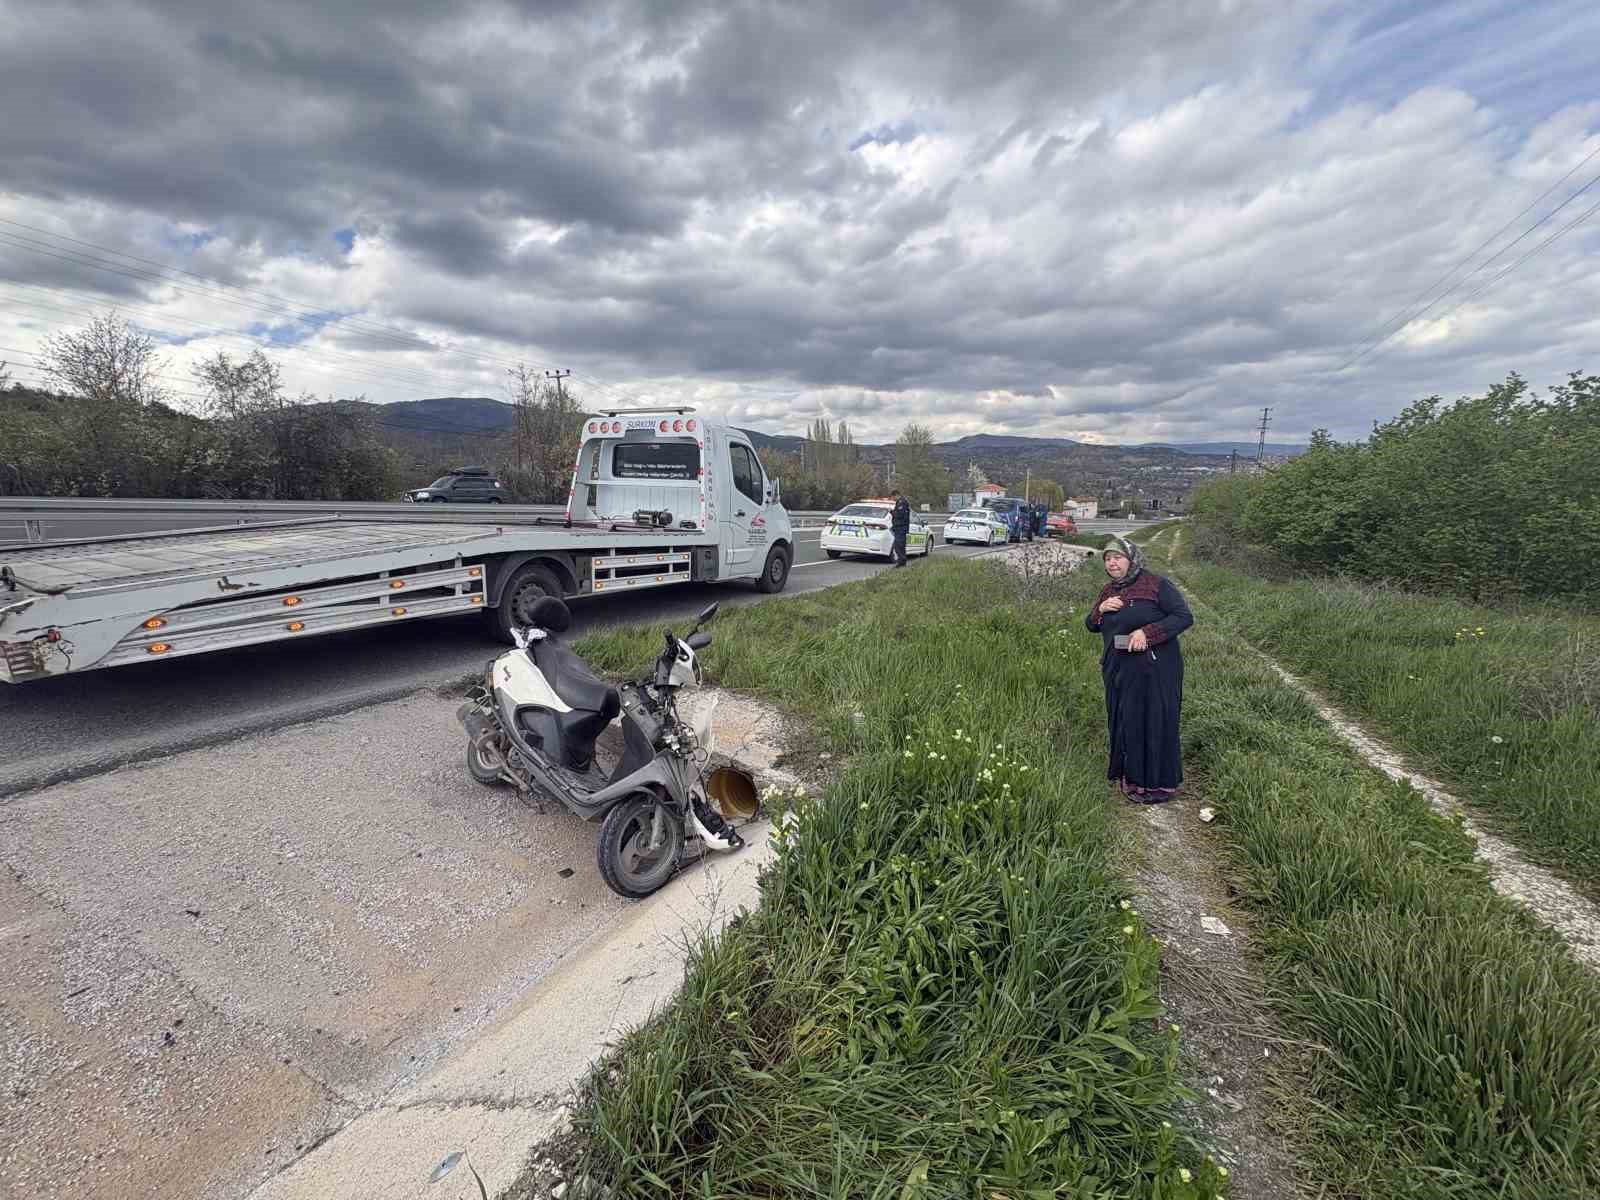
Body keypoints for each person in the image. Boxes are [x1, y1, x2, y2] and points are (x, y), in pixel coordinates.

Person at [1084, 536, 1193, 802]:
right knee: (1124, 720)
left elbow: (1183, 616)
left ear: (1131, 559)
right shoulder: (1109, 590)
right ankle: (1129, 776)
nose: (1112, 563)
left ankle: (1155, 784)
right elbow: (1091, 625)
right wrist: (1099, 609)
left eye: (1117, 557)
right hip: (1118, 668)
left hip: (1154, 668)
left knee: (1152, 720)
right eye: (1108, 559)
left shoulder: (1157, 585)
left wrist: (1148, 632)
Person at [890, 490, 911, 566]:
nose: (892, 499)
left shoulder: (902, 502)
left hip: (901, 527)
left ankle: (901, 563)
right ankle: (902, 562)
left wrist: (892, 512)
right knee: (900, 546)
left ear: (896, 495)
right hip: (899, 527)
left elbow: (900, 515)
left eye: (892, 497)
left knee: (898, 545)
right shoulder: (899, 502)